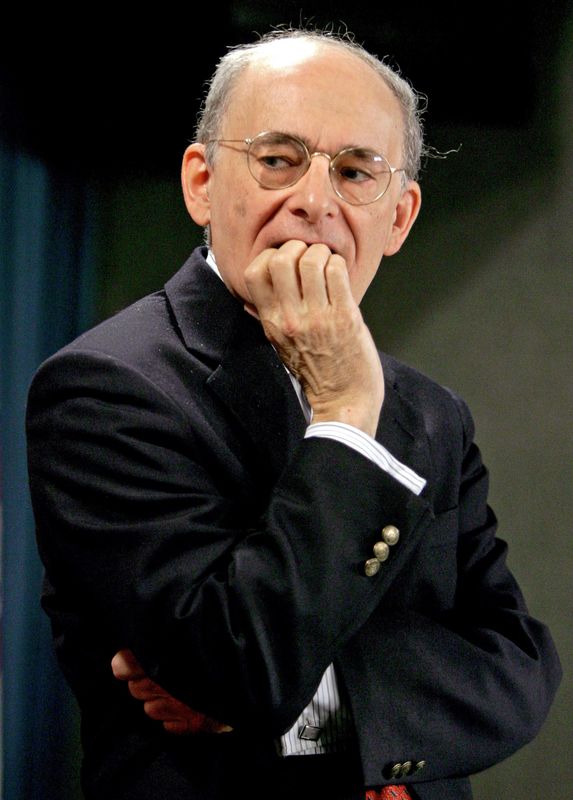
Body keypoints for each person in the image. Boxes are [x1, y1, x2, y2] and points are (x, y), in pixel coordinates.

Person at [26, 27, 561, 800]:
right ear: (201, 182)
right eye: (278, 160)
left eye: (353, 171)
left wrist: (331, 706)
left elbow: (518, 669)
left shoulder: (431, 413)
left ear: (400, 217)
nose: (313, 201)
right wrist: (344, 413)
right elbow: (235, 666)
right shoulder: (104, 387)